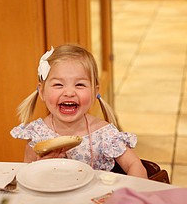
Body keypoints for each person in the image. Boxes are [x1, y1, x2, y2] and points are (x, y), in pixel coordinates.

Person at [10, 44, 147, 178]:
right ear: (42, 91)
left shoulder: (104, 134)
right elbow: (25, 176)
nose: (69, 92)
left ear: (95, 92)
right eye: (58, 84)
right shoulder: (36, 134)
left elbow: (134, 164)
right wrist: (40, 166)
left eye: (80, 84)